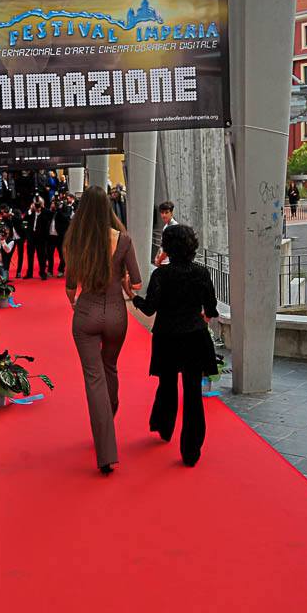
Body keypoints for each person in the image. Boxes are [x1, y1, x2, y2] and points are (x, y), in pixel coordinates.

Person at [64, 186, 142, 475]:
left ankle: (106, 451)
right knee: (110, 367)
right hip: (116, 314)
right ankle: (110, 413)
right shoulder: (123, 239)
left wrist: (74, 303)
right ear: (109, 207)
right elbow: (136, 282)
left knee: (93, 378)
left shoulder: (76, 240)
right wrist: (122, 278)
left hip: (87, 312)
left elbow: (70, 287)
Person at [130, 224, 219, 467]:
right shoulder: (201, 273)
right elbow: (211, 308)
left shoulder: (161, 275)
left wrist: (133, 297)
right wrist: (202, 317)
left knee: (167, 385)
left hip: (167, 336)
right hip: (194, 337)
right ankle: (191, 450)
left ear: (168, 248)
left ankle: (164, 426)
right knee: (193, 394)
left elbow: (150, 309)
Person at [23, 197, 51, 280]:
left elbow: (48, 219)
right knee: (30, 255)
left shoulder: (45, 212)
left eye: (38, 205)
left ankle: (42, 272)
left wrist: (41, 211)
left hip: (41, 238)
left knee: (41, 256)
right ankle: (29, 273)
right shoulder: (30, 212)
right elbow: (24, 220)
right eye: (36, 204)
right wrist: (30, 210)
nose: (36, 206)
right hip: (31, 237)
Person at [153, 201, 178, 266]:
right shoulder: (166, 226)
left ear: (171, 213)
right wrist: (157, 256)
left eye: (166, 212)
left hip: (169, 263)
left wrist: (159, 261)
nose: (164, 215)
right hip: (164, 261)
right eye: (162, 212)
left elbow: (168, 248)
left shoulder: (174, 227)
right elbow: (162, 244)